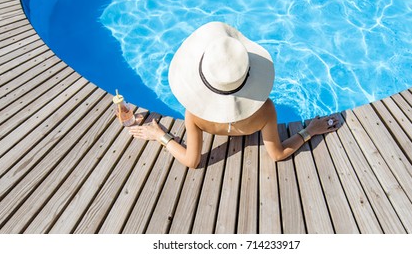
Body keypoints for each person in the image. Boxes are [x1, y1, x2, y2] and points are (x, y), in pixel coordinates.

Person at [129, 22, 340, 168]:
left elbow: (192, 161)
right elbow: (277, 154)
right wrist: (310, 131)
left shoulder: (194, 114)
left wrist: (161, 136)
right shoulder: (265, 109)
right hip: (251, 123)